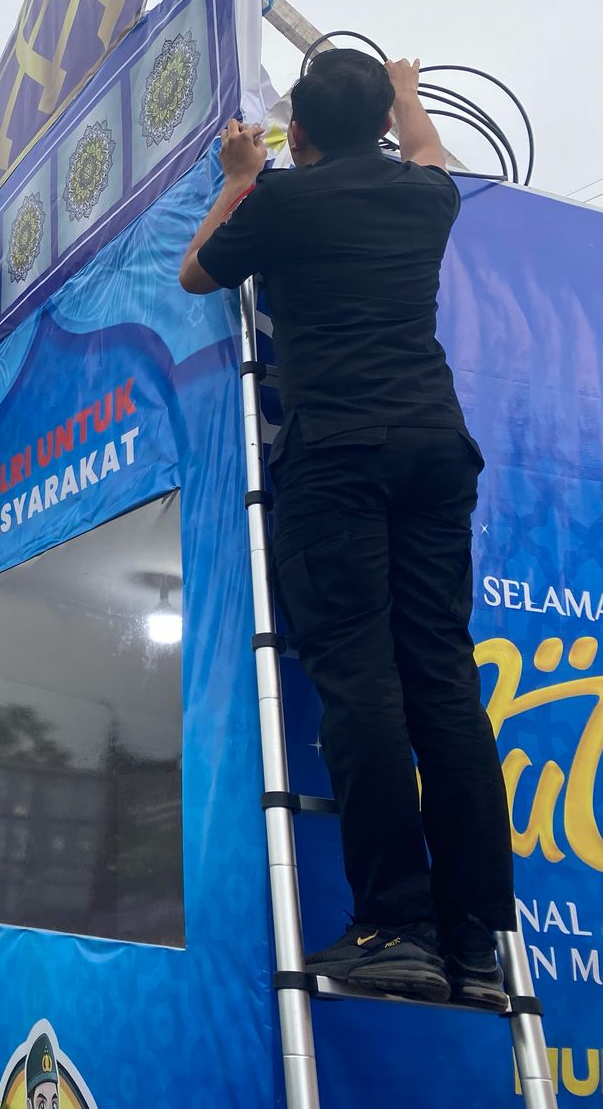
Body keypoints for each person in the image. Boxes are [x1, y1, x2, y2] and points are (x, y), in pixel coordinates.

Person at [178, 50, 512, 1006]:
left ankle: (393, 926)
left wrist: (241, 177)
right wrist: (406, 94)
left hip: (338, 460)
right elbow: (429, 148)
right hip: (435, 450)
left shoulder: (282, 200)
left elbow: (197, 273)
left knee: (362, 682)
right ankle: (474, 943)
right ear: (382, 124)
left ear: (300, 135)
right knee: (443, 681)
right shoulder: (426, 196)